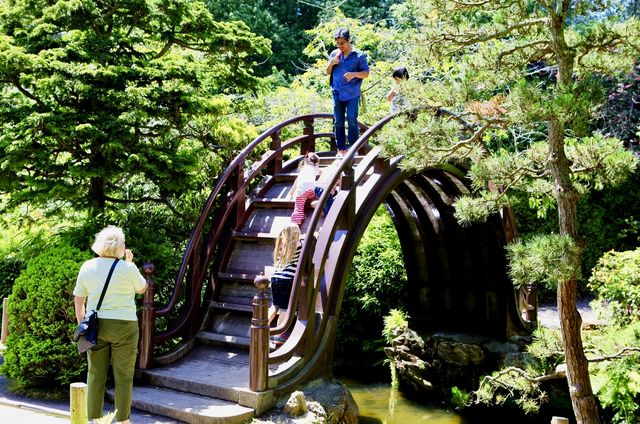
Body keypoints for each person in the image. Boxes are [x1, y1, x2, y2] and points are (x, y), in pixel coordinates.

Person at [73, 226, 146, 424]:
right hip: (125, 326)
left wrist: (83, 326)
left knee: (95, 373)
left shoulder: (87, 266)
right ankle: (123, 421)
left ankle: (94, 420)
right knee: (123, 376)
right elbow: (142, 289)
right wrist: (130, 264)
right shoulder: (127, 268)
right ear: (117, 247)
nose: (124, 246)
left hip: (96, 326)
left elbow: (79, 300)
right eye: (123, 243)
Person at [326, 28, 370, 154]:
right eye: (338, 43)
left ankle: (353, 148)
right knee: (338, 120)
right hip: (337, 92)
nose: (340, 46)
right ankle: (341, 149)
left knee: (351, 119)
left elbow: (366, 74)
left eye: (342, 43)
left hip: (352, 93)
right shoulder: (335, 54)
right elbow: (327, 71)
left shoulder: (359, 55)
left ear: (349, 40)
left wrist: (354, 74)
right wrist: (331, 63)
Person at [270, 223, 303, 345]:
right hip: (286, 280)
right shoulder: (298, 245)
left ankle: (259, 327)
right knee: (284, 308)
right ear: (295, 234)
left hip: (275, 279)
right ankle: (279, 334)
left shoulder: (281, 246)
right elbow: (309, 241)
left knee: (275, 306)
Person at [289, 152, 321, 226]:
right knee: (313, 195)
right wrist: (318, 181)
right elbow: (321, 172)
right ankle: (317, 202)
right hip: (311, 189)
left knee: (298, 206)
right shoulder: (315, 168)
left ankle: (296, 222)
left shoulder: (303, 169)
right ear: (316, 163)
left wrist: (291, 193)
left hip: (302, 190)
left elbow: (296, 182)